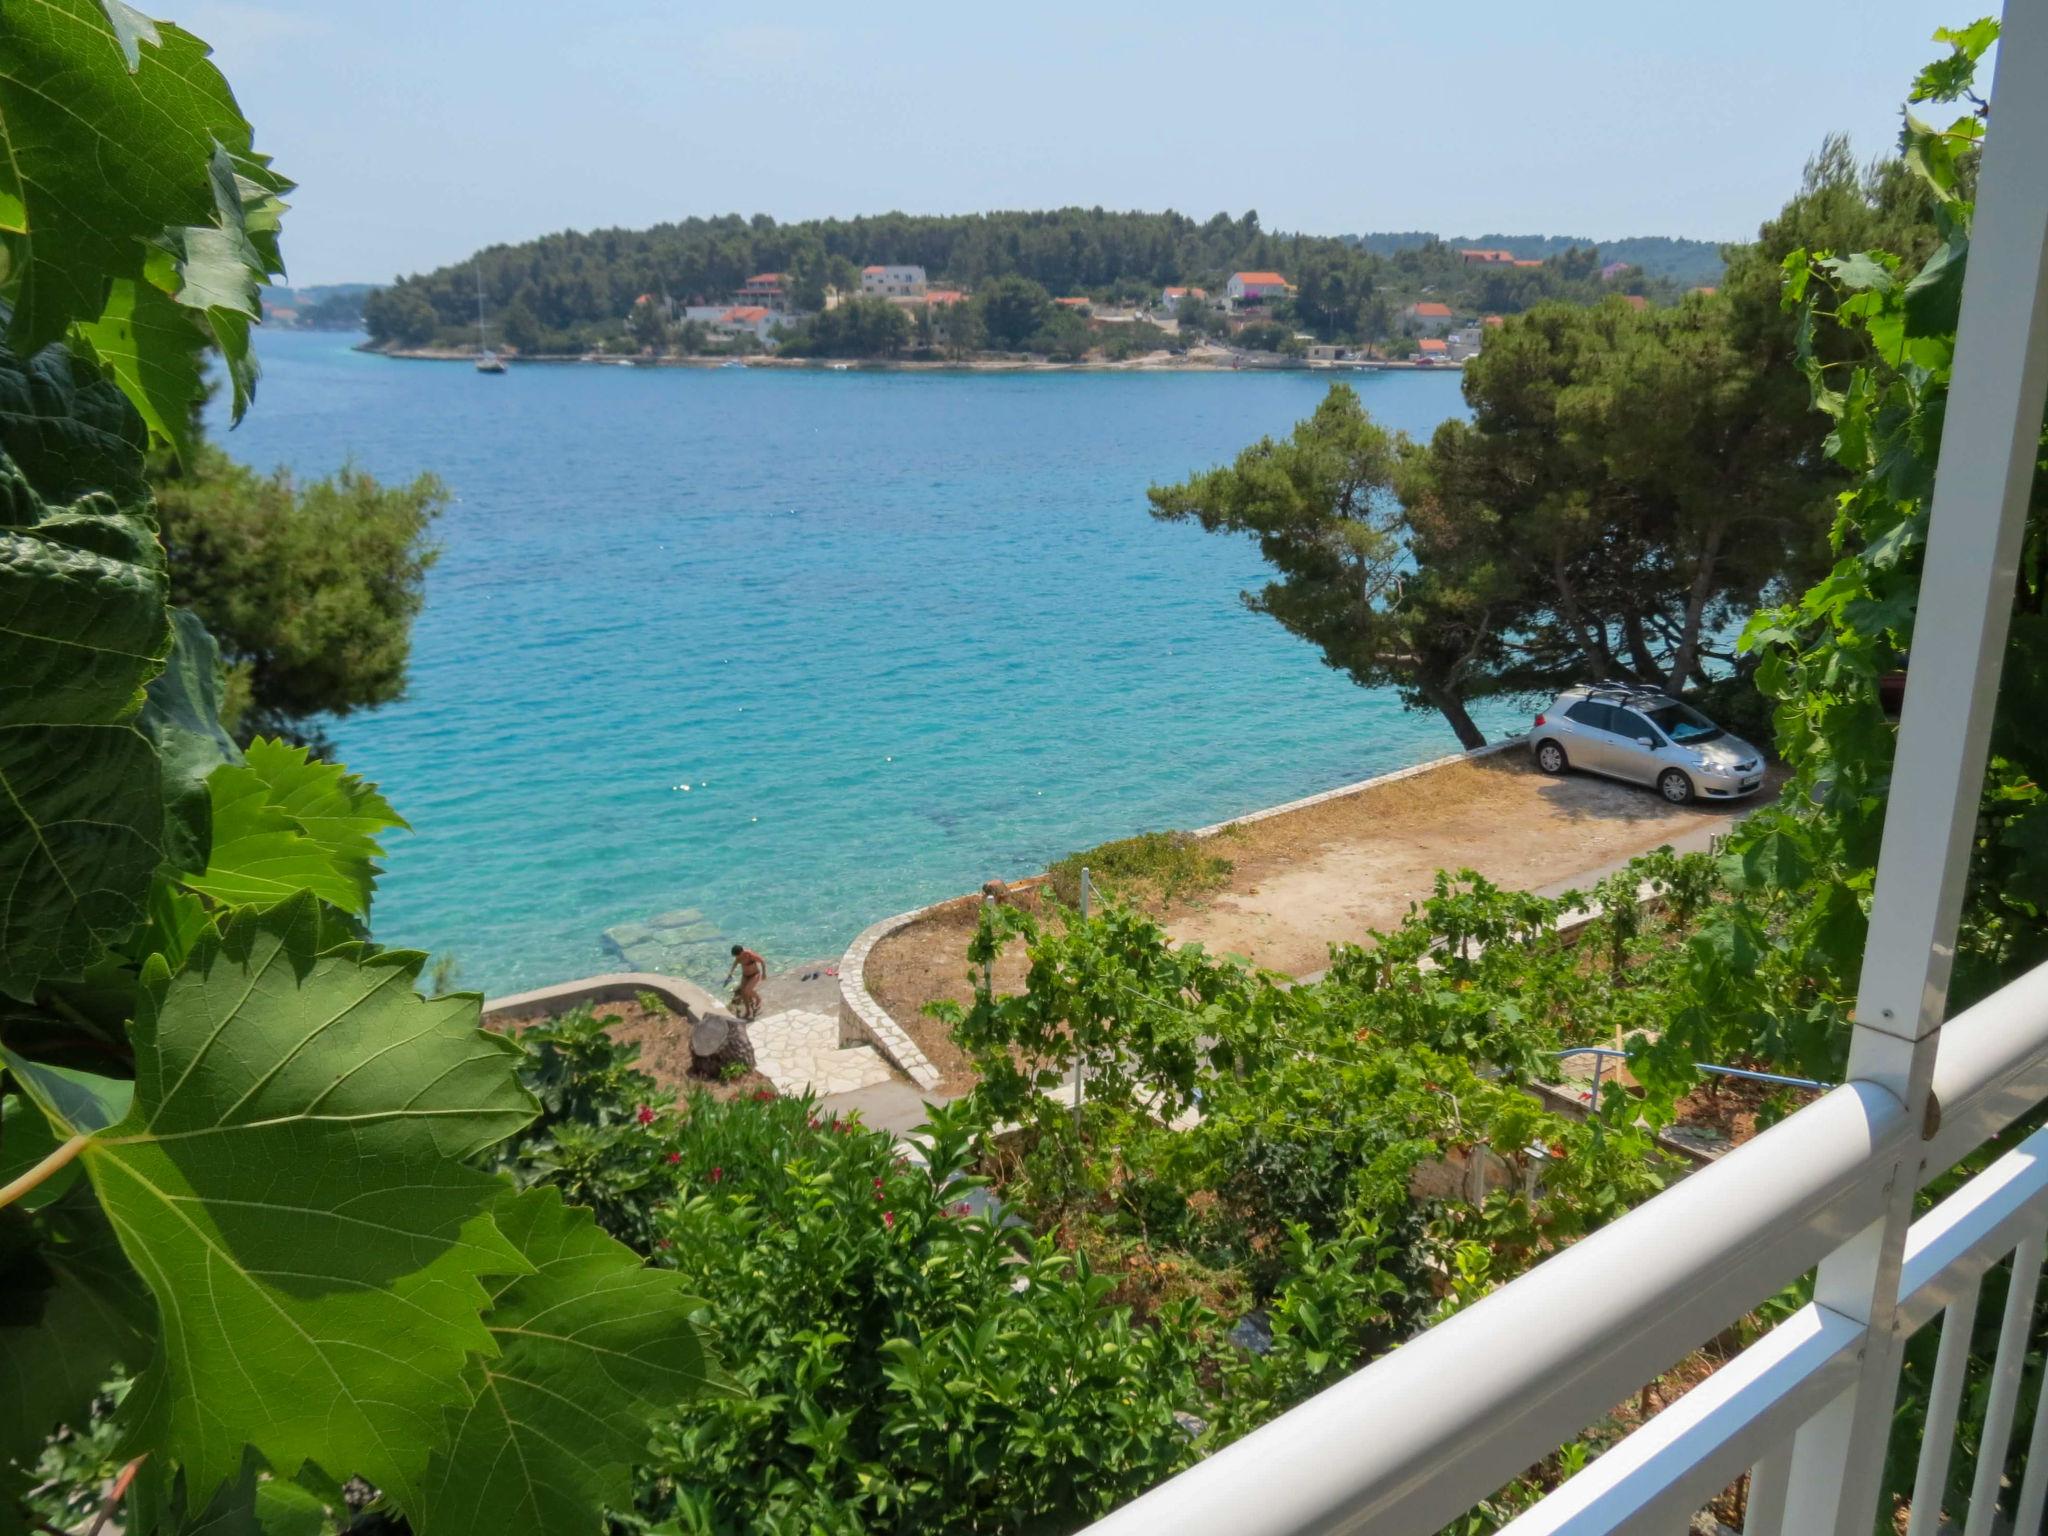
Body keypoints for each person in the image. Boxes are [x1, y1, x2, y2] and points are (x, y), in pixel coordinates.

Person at [725, 943, 766, 1020]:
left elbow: (762, 961)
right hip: (745, 976)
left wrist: (764, 973)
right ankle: (748, 1011)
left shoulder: (750, 955)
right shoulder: (738, 958)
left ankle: (758, 998)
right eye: (735, 956)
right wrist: (730, 974)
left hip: (755, 974)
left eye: (737, 955)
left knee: (747, 990)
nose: (736, 957)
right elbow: (734, 964)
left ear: (741, 952)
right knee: (743, 993)